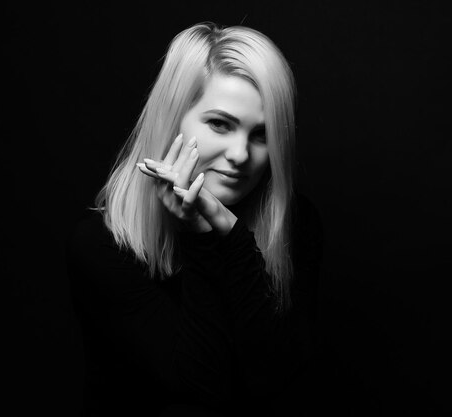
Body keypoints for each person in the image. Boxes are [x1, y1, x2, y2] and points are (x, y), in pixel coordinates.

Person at [66, 22, 323, 417]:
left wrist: (230, 234)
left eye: (261, 135)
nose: (240, 155)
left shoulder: (294, 224)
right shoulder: (102, 245)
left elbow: (271, 381)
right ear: (173, 119)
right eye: (220, 124)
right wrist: (199, 236)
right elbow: (202, 388)